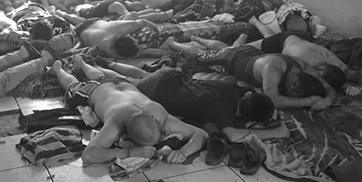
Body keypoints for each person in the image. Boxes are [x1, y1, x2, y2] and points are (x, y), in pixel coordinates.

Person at [50, 56, 208, 165]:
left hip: (116, 85)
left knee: (101, 78)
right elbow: (89, 155)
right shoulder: (115, 123)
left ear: (154, 119)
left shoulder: (159, 114)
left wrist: (183, 152)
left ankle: (82, 63)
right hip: (96, 90)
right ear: (126, 134)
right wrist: (130, 153)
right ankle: (59, 69)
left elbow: (201, 134)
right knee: (73, 86)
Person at [94, 61, 286, 142]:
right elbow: (233, 135)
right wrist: (276, 132)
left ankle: (109, 63)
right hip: (158, 91)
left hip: (170, 76)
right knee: (126, 82)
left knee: (143, 75)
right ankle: (94, 68)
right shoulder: (223, 113)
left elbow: (250, 92)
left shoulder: (233, 89)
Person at [162, 37, 332, 110]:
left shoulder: (303, 67)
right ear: (295, 83)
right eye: (292, 91)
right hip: (233, 61)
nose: (288, 92)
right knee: (202, 55)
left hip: (248, 52)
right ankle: (173, 44)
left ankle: (199, 39)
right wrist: (308, 101)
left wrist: (328, 100)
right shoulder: (273, 69)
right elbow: (274, 100)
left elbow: (328, 87)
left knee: (224, 48)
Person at [248, 17, 361, 96]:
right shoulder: (305, 64)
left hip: (304, 39)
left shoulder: (337, 64)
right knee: (245, 47)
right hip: (284, 40)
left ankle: (257, 22)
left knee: (268, 38)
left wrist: (351, 87)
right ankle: (254, 21)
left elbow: (353, 76)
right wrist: (345, 87)